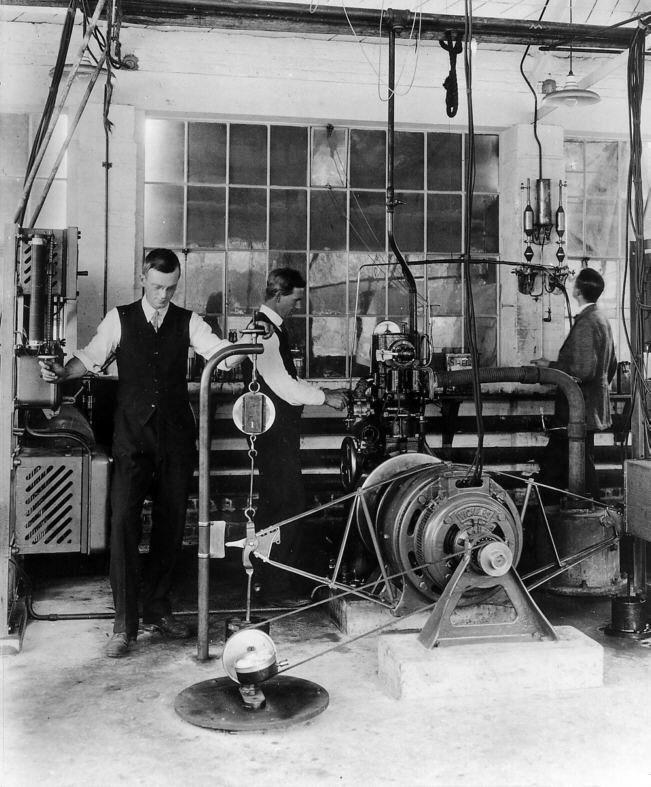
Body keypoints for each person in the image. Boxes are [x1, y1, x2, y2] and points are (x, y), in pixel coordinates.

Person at [40, 248, 245, 657]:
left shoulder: (189, 321)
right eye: (156, 287)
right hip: (132, 438)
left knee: (171, 526)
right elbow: (90, 357)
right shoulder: (120, 318)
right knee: (123, 525)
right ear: (142, 279)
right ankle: (124, 625)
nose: (163, 295)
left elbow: (220, 354)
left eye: (170, 288)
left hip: (175, 439)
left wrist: (242, 349)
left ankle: (157, 609)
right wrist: (63, 374)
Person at [242, 268, 348, 595]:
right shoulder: (265, 330)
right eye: (295, 299)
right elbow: (283, 386)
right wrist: (325, 399)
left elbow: (289, 378)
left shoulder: (271, 328)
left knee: (277, 501)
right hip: (273, 431)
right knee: (288, 502)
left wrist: (324, 390)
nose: (297, 306)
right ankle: (275, 584)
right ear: (278, 295)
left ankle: (262, 578)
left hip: (275, 429)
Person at [531, 267, 617, 502]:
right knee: (577, 463)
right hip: (589, 409)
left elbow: (582, 371)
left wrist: (549, 366)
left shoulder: (587, 322)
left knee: (562, 465)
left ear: (578, 290)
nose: (571, 284)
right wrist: (598, 393)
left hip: (576, 412)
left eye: (574, 282)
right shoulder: (601, 319)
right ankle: (586, 510)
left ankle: (573, 512)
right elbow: (612, 365)